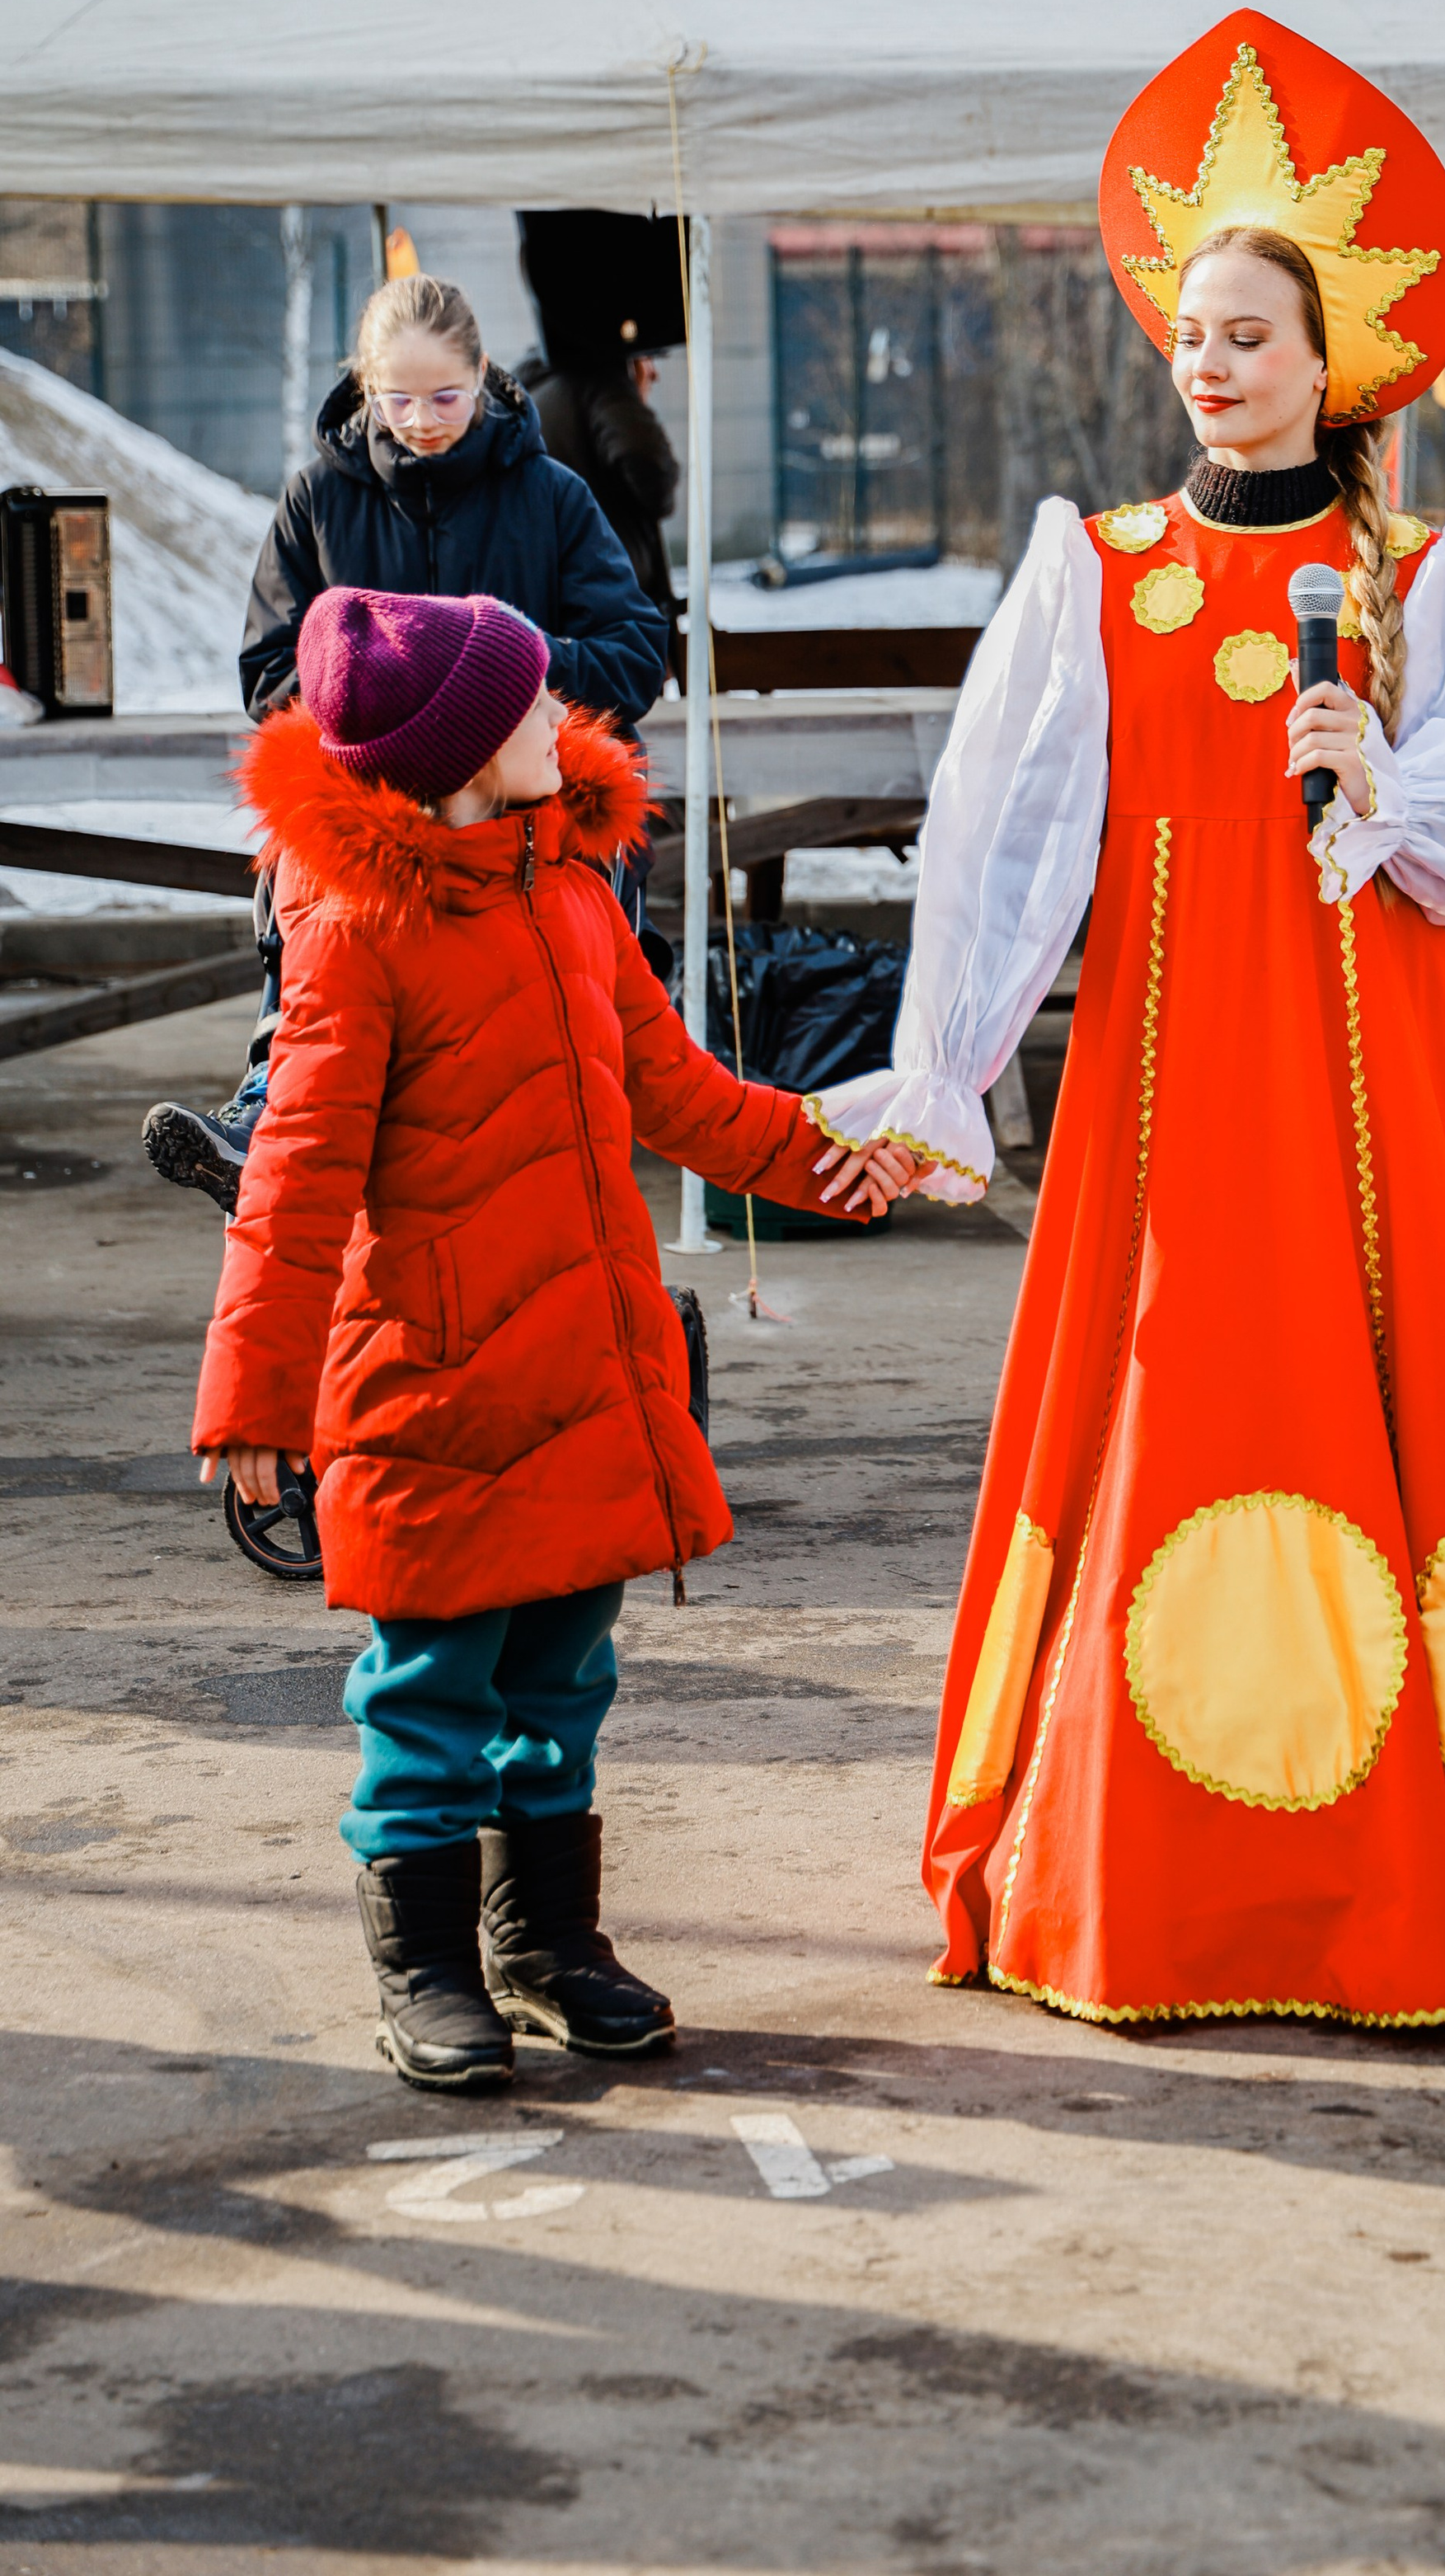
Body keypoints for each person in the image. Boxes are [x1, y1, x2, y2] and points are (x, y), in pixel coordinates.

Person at [809, 16, 1445, 2037]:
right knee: (1178, 1392)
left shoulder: (1420, 574)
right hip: (1166, 1076)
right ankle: (1162, 1864)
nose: (1211, 364)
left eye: (1249, 335)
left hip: (1368, 1070)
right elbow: (997, 842)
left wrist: (1380, 777)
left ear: (1333, 363)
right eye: (1192, 334)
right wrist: (942, 1067)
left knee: (1401, 1402)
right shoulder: (1098, 576)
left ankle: (1422, 1851)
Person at [190, 585, 915, 2090]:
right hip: (434, 1387)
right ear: (458, 752)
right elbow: (297, 1178)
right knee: (432, 1691)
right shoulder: (361, 929)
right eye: (528, 704)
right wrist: (255, 1394)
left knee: (565, 1677)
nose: (561, 717)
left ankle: (548, 1942)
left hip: (584, 1365)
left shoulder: (572, 886)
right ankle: (428, 1966)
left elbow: (679, 1089)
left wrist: (824, 1157)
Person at [143, 274, 669, 1216]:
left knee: (597, 845)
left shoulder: (553, 495)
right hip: (377, 794)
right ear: (365, 387)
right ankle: (274, 1097)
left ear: (483, 375)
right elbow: (268, 674)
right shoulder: (316, 500)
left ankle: (580, 1100)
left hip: (525, 784)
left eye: (446, 397)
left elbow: (635, 656)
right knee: (302, 852)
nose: (422, 421)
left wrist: (511, 663)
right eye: (398, 400)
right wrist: (380, 707)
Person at [518, 347, 683, 689]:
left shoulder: (533, 389)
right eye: (647, 357)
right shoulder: (603, 385)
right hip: (607, 615)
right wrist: (631, 401)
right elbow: (653, 473)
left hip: (556, 611)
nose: (653, 373)